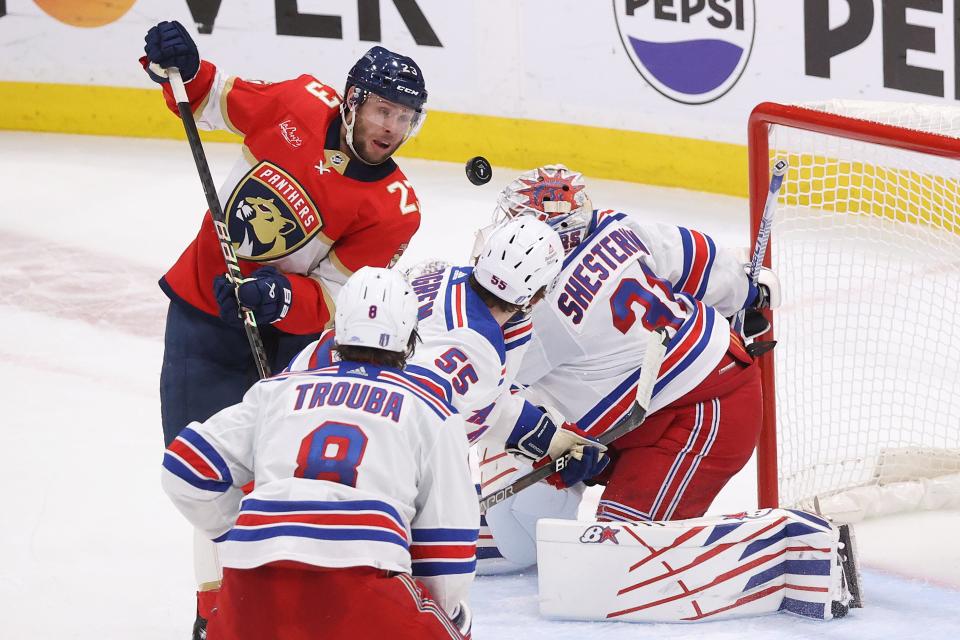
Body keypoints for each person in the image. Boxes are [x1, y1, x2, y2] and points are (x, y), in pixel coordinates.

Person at [141, 20, 428, 634]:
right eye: (382, 110)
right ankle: (215, 610)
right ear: (352, 101)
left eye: (405, 118)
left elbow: (332, 297)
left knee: (273, 479)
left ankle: (267, 604)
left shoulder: (394, 208)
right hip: (202, 309)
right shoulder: (297, 100)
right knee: (204, 467)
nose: (391, 129)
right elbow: (212, 98)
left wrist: (279, 296)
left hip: (284, 343)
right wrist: (182, 68)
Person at [162, 267, 477, 640]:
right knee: (457, 623)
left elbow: (184, 468)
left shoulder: (277, 390)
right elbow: (446, 551)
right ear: (410, 338)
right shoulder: (432, 410)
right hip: (363, 587)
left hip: (252, 590)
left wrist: (237, 534)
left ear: (338, 329)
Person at [475, 164, 780, 538]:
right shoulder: (614, 226)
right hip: (646, 409)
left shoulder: (544, 313)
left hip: (702, 413)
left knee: (621, 550)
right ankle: (514, 530)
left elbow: (482, 396)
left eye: (516, 223)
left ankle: (772, 548)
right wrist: (748, 295)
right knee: (533, 447)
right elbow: (698, 257)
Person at [287, 217, 610, 492]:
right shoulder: (477, 349)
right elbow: (420, 416)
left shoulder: (440, 275)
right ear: (540, 295)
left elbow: (475, 401)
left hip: (295, 402)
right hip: (332, 457)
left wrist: (545, 438)